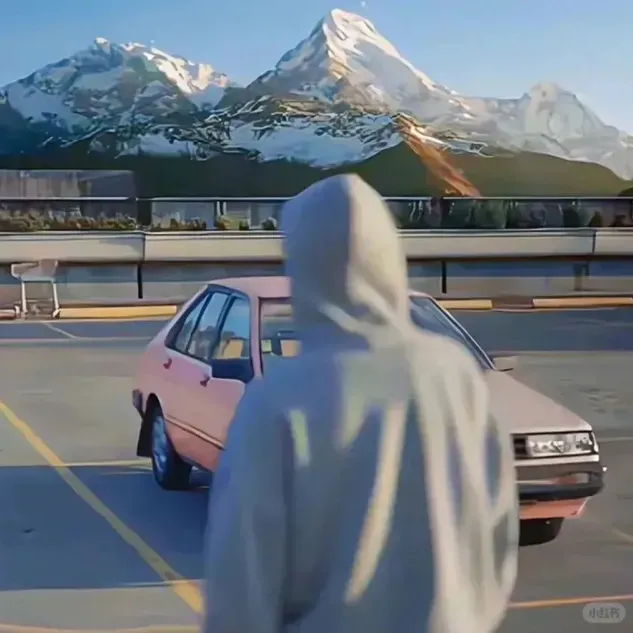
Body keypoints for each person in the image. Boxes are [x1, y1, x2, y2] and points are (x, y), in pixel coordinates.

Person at [203, 174, 519, 633]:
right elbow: (497, 534)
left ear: (305, 266)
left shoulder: (276, 401)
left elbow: (241, 585)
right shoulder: (454, 374)